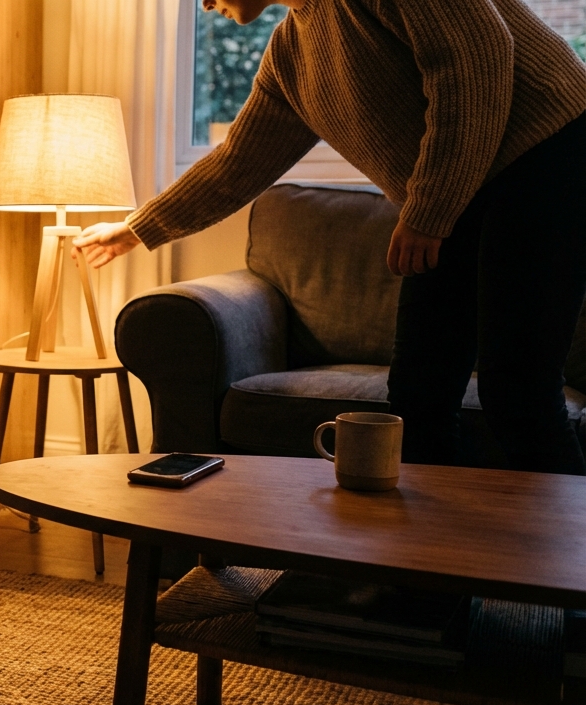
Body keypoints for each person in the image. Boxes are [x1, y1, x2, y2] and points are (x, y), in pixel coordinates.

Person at [73, 0, 586, 475]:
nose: (203, 3)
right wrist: (137, 228)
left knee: (518, 394)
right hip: (461, 191)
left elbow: (479, 57)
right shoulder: (292, 52)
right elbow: (239, 163)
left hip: (549, 157)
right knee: (416, 397)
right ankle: (428, 565)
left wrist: (428, 212)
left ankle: (558, 568)